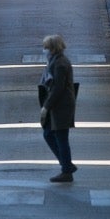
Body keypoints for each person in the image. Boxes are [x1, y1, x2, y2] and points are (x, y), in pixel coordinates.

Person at [38, 33, 77, 182]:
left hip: (61, 105)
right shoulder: (54, 61)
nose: (44, 50)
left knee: (61, 138)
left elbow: (58, 88)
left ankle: (66, 170)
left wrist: (46, 107)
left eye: (46, 47)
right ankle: (67, 165)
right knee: (49, 134)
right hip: (58, 105)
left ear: (52, 48)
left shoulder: (59, 64)